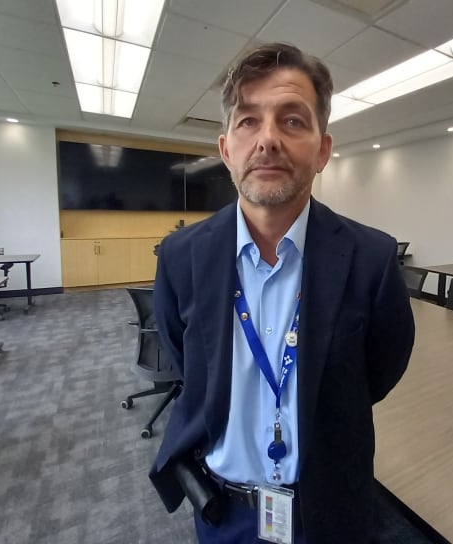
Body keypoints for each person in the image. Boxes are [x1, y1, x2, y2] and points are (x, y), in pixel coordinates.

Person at [149, 42, 415, 544]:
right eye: (248, 121)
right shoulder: (180, 257)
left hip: (328, 509)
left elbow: (376, 376)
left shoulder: (372, 259)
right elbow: (191, 367)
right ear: (226, 150)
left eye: (292, 120)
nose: (267, 139)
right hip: (224, 510)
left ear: (322, 150)